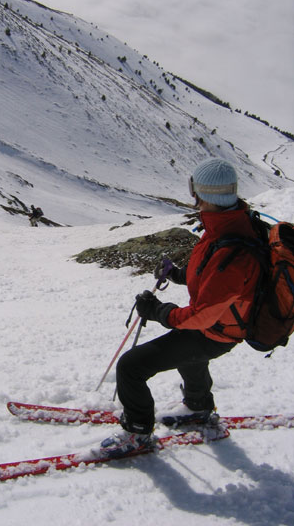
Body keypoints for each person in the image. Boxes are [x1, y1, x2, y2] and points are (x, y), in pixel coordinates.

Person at [100, 158, 261, 458]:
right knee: (190, 355)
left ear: (202, 193)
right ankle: (198, 408)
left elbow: (202, 314)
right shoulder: (229, 226)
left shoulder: (232, 249)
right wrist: (177, 274)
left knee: (132, 367)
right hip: (219, 326)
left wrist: (159, 312)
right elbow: (210, 275)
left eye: (194, 189)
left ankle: (137, 432)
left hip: (216, 331)